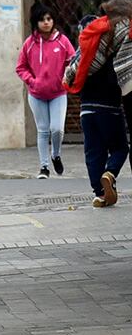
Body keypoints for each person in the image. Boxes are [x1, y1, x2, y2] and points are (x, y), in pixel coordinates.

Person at [64, 12, 128, 207]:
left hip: (86, 111)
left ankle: (100, 193)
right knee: (120, 148)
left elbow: (71, 79)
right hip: (109, 109)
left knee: (93, 152)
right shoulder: (108, 52)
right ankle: (110, 173)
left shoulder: (80, 57)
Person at [15, 2, 75, 179]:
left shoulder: (63, 41)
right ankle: (44, 167)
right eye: (42, 20)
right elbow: (21, 67)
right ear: (36, 22)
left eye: (49, 19)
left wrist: (68, 77)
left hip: (58, 93)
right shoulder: (29, 44)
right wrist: (32, 81)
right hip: (37, 94)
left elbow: (73, 61)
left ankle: (56, 154)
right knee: (43, 130)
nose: (46, 23)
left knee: (57, 129)